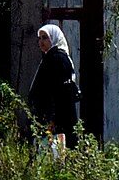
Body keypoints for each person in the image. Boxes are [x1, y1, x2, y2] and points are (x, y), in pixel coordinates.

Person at [27, 23, 80, 154]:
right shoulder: (51, 57)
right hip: (52, 115)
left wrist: (51, 118)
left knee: (55, 152)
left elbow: (57, 91)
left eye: (45, 38)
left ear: (53, 38)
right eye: (39, 38)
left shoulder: (57, 58)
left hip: (56, 117)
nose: (41, 42)